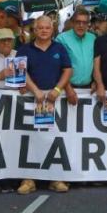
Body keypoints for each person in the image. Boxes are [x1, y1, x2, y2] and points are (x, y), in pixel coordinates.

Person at [16, 15, 73, 195]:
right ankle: (28, 179)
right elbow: (20, 71)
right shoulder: (25, 49)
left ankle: (55, 179)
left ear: (52, 29)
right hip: (31, 100)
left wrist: (57, 89)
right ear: (34, 30)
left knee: (54, 140)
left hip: (55, 100)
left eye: (47, 28)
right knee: (30, 140)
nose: (43, 31)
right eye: (39, 27)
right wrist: (35, 90)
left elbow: (68, 70)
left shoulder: (59, 48)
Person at [57, 7, 97, 101]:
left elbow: (96, 62)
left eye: (84, 22)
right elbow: (57, 66)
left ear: (88, 24)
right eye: (78, 22)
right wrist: (67, 87)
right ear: (72, 22)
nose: (81, 25)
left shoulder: (93, 38)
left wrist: (96, 82)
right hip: (67, 88)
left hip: (88, 89)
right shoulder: (61, 39)